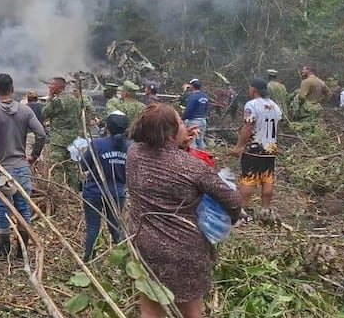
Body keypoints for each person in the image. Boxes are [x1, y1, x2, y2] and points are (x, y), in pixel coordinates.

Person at [126, 104, 242, 318]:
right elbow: (233, 201)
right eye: (180, 122)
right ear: (169, 133)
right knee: (190, 313)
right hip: (185, 250)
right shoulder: (193, 167)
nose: (184, 125)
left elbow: (163, 162)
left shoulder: (134, 154)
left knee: (150, 311)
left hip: (143, 244)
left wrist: (182, 145)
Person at [0, 73, 46, 257]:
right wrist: (33, 156)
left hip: (2, 169)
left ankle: (4, 250)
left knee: (2, 208)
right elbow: (41, 133)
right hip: (22, 167)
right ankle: (22, 251)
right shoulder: (25, 111)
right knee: (23, 207)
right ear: (13, 89)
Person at [80, 111, 131, 262]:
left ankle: (88, 260)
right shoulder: (130, 147)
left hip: (93, 192)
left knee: (92, 228)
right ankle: (124, 261)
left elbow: (84, 166)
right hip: (117, 193)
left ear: (107, 127)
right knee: (115, 227)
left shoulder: (97, 144)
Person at [230, 79, 283, 219]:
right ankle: (265, 210)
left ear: (253, 90)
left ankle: (242, 210)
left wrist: (239, 146)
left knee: (248, 179)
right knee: (268, 179)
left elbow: (248, 126)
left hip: (254, 149)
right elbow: (276, 127)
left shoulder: (251, 105)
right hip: (270, 149)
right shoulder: (275, 106)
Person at [42, 77, 95, 188]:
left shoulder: (58, 101)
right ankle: (75, 192)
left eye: (52, 85)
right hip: (72, 140)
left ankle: (57, 192)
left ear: (59, 87)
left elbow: (44, 113)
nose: (49, 87)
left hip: (58, 140)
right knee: (71, 167)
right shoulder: (75, 100)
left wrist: (50, 98)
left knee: (57, 167)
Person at [182, 78, 209, 150]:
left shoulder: (192, 96)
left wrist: (182, 119)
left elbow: (188, 109)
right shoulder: (205, 96)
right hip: (203, 121)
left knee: (192, 141)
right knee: (200, 140)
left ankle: (193, 158)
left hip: (193, 121)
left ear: (192, 86)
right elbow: (206, 108)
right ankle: (202, 158)